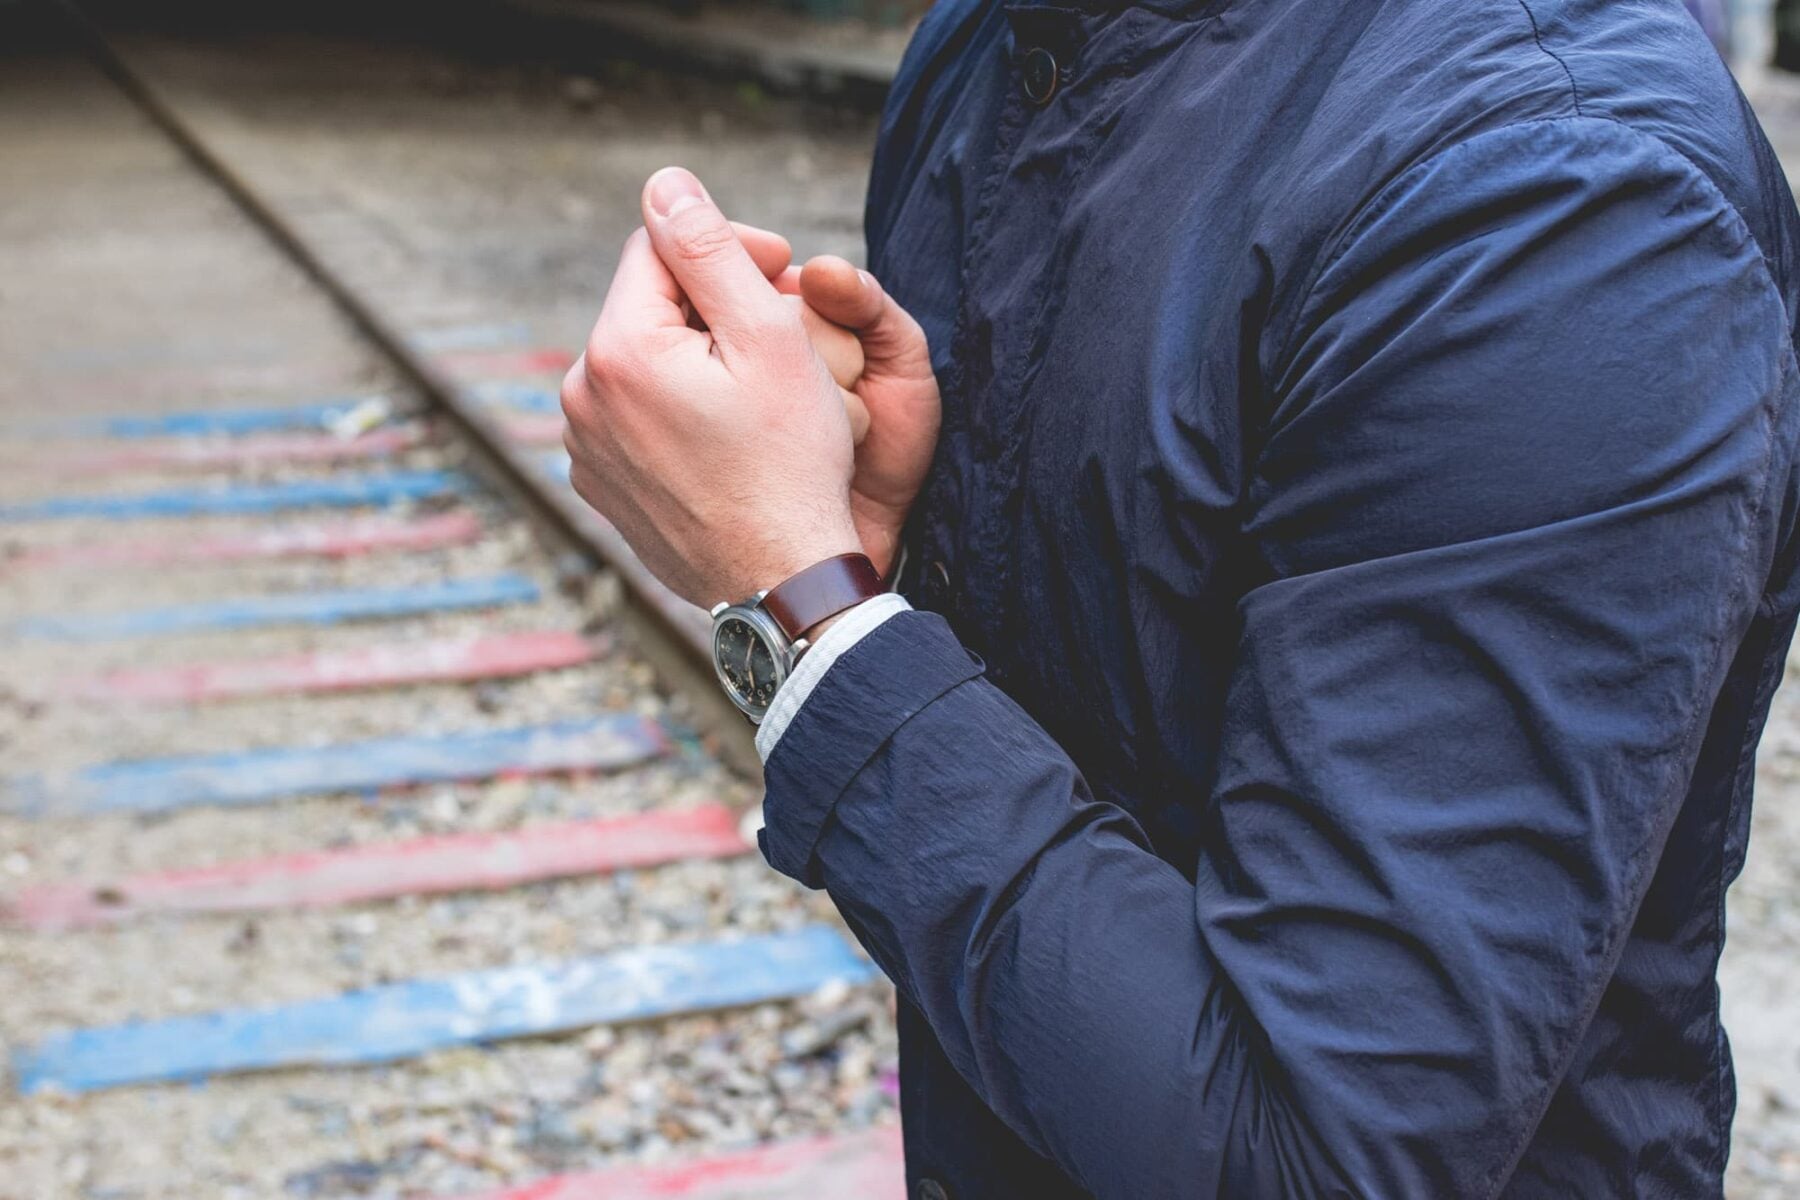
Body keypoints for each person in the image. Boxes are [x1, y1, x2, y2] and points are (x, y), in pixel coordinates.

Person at [560, 1, 1800, 1195]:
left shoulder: (1549, 200)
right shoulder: (992, 46)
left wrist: (802, 611)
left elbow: (1307, 1154)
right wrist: (877, 541)